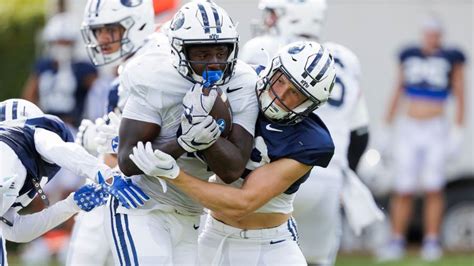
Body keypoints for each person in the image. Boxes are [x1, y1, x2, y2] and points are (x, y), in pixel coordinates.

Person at [130, 40, 336, 266]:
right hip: (213, 237)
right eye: (281, 82)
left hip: (273, 247)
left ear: (309, 105)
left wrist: (174, 175)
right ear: (272, 69)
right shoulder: (240, 85)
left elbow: (242, 203)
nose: (281, 96)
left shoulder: (310, 141)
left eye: (295, 94)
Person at [102, 1, 259, 264]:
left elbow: (232, 169)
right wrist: (183, 142)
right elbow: (127, 161)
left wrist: (206, 135)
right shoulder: (154, 76)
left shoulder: (243, 81)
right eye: (202, 54)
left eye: (222, 51)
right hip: (141, 205)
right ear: (178, 50)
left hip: (192, 213)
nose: (215, 63)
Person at [240, 0, 381, 265]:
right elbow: (360, 133)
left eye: (273, 14)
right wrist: (343, 174)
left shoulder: (266, 48)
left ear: (292, 17)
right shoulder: (345, 59)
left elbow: (242, 106)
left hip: (273, 171)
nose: (268, 21)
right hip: (327, 179)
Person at [0, 99, 149, 265]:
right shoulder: (25, 134)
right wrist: (106, 175)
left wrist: (72, 204)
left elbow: (16, 231)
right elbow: (58, 149)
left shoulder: (13, 178)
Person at [66, 1, 157, 265]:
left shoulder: (147, 67)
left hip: (144, 194)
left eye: (110, 29)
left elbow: (148, 141)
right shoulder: (134, 65)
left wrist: (101, 142)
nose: (102, 39)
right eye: (97, 31)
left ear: (137, 23)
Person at [378, 15, 466, 262]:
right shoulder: (409, 54)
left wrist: (458, 130)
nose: (431, 38)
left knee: (433, 186)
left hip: (436, 127)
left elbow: (460, 92)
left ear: (440, 36)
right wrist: (386, 124)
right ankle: (396, 240)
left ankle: (431, 240)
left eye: (434, 33)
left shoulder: (451, 57)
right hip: (409, 126)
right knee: (403, 186)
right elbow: (398, 89)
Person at [22, 12, 98, 129]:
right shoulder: (43, 66)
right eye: (58, 42)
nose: (62, 46)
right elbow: (29, 96)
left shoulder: (84, 68)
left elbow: (99, 96)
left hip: (74, 126)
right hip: (45, 124)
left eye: (66, 42)